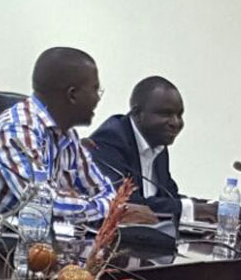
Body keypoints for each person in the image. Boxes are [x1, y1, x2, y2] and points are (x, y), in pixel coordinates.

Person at [0, 47, 152, 224]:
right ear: (72, 95)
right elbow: (44, 205)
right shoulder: (16, 131)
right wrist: (109, 209)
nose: (97, 99)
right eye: (95, 90)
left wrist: (105, 206)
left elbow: (105, 191)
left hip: (36, 246)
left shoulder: (68, 136)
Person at [88, 76, 217, 223]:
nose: (176, 122)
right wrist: (195, 210)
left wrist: (209, 206)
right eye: (166, 114)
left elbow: (168, 198)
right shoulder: (109, 141)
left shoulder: (158, 144)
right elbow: (128, 206)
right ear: (137, 114)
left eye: (179, 115)